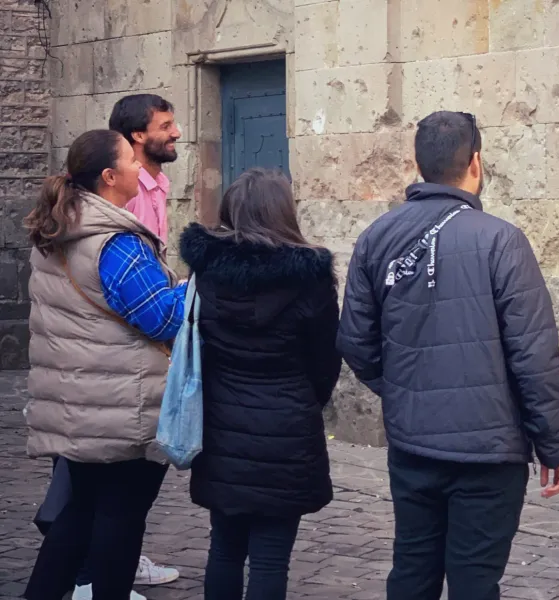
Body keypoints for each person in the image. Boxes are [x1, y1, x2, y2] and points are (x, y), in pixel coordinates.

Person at [337, 111, 559, 600]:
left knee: (412, 572)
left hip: (415, 440)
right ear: (476, 163)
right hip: (488, 449)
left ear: (417, 164)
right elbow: (534, 355)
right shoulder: (500, 240)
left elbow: (357, 342)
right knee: (474, 581)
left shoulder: (377, 237)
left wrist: (405, 387)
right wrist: (553, 443)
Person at [22, 129, 188, 600]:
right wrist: (194, 288)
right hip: (119, 409)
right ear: (110, 177)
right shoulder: (116, 242)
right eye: (130, 161)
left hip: (80, 406)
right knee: (118, 525)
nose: (140, 167)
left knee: (76, 518)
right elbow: (163, 318)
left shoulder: (58, 228)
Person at [178, 168, 342, 600]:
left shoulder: (207, 271)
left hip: (221, 423)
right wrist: (305, 400)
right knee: (271, 558)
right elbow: (326, 359)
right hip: (287, 426)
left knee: (225, 548)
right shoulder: (310, 277)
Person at [109, 93, 182, 243]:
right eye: (165, 127)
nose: (177, 133)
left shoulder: (159, 182)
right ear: (139, 136)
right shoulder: (123, 188)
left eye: (173, 125)